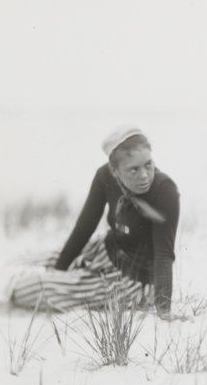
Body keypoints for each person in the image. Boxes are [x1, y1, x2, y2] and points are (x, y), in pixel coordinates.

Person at [10, 126, 180, 316]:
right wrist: (59, 270)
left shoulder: (165, 190)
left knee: (23, 289)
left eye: (149, 165)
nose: (144, 176)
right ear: (114, 171)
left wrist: (164, 310)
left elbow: (164, 254)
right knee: (17, 263)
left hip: (132, 278)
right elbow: (84, 227)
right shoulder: (104, 176)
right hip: (104, 250)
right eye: (133, 169)